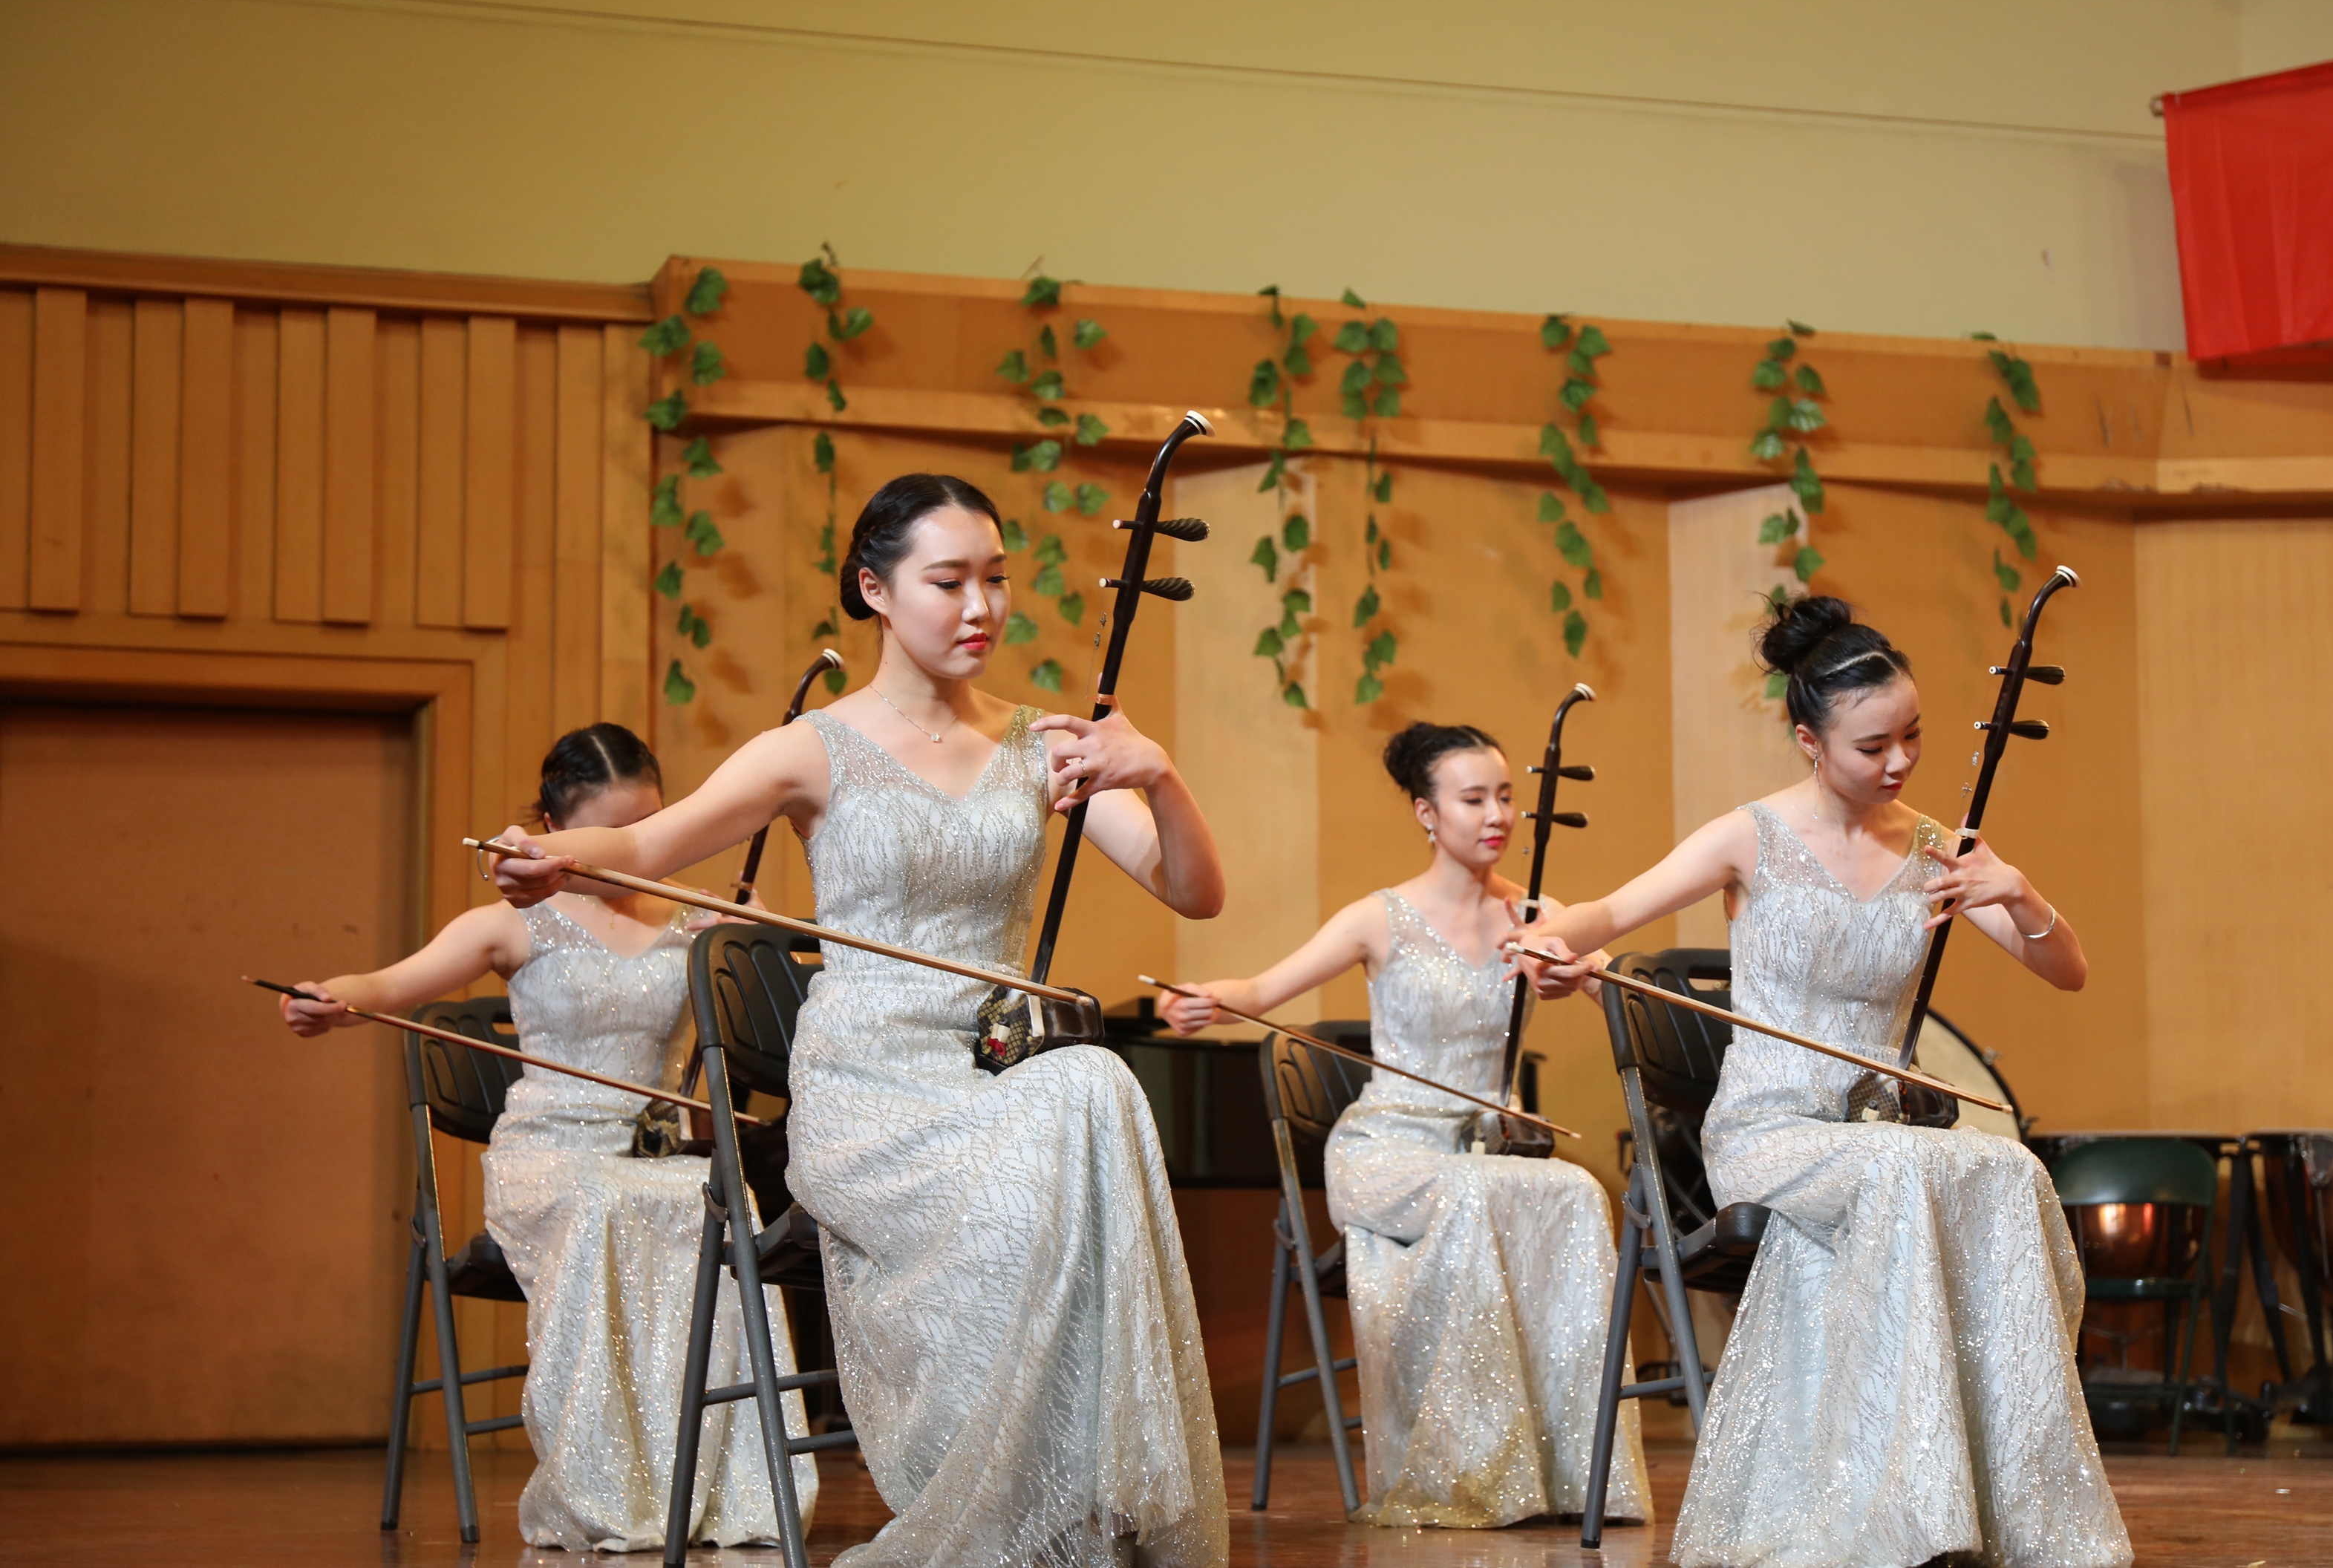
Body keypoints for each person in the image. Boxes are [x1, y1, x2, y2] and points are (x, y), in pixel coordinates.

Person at [488, 472, 1230, 1568]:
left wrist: (1159, 776)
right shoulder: (812, 747)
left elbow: (1194, 894)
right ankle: (1013, 1504)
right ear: (875, 590)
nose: (980, 608)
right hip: (866, 1092)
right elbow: (650, 844)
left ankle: (1071, 1504)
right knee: (1063, 1122)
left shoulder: (1044, 745)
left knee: (1090, 1085)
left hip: (988, 1082)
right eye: (949, 581)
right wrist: (551, 856)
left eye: (996, 580)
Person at [1521, 595, 2130, 1568]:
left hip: (1876, 1131)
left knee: (2009, 1170)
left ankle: (2012, 1507)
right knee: (1901, 1175)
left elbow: (2069, 972)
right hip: (1769, 1131)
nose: (1898, 762)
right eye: (1872, 745)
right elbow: (1611, 911)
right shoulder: (1750, 837)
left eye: (1913, 735)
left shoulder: (1934, 849)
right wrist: (1552, 943)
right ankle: (1898, 1507)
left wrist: (2016, 890)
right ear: (1809, 741)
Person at [279, 723, 813, 1553]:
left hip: (652, 1156)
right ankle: (608, 1489)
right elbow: (388, 983)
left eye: (645, 826)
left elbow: (792, 990)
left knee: (725, 1200)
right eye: (603, 833)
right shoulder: (512, 925)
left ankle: (723, 1487)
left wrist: (753, 938)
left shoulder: (694, 917)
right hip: (550, 1160)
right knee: (605, 1201)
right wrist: (332, 999)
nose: (627, 851)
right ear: (557, 831)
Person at [1158, 722, 1651, 1529]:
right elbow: (1264, 989)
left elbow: (1612, 999)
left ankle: (1574, 1476)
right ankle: (1473, 1472)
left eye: (1505, 797)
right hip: (1389, 1148)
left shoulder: (1536, 914)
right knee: (1471, 1195)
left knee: (1575, 1192)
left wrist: (1584, 974)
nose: (1496, 815)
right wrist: (1208, 1000)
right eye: (1472, 799)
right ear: (1426, 812)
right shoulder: (1377, 918)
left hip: (1485, 1149)